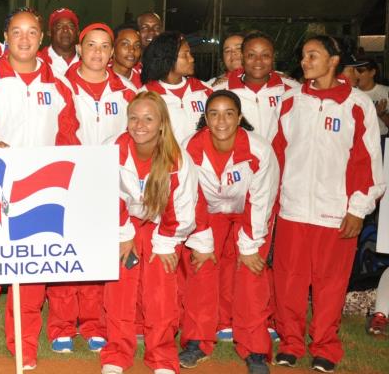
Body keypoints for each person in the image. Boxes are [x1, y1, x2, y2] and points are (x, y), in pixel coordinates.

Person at [0, 7, 79, 370]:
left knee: (32, 276)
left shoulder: (60, 84)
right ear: (5, 37)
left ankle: (24, 346)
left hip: (40, 191)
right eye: (17, 32)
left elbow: (71, 138)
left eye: (32, 32)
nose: (24, 38)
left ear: (42, 38)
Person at [271, 34, 386, 372]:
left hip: (335, 214)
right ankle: (290, 343)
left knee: (330, 286)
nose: (305, 62)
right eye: (304, 56)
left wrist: (357, 208)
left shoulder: (356, 104)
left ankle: (325, 348)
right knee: (288, 282)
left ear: (334, 59)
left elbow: (368, 163)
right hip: (292, 211)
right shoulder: (291, 101)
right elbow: (278, 155)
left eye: (313, 55)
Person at [47, 22, 135, 355]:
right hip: (71, 180)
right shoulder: (60, 86)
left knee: (99, 256)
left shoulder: (126, 91)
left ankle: (94, 323)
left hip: (112, 185)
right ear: (80, 49)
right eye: (91, 45)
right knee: (66, 254)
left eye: (104, 46)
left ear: (112, 53)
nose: (97, 52)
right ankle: (61, 324)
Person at [179, 91, 279, 374]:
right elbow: (189, 196)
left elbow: (263, 199)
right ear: (205, 119)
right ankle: (197, 341)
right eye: (214, 113)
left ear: (239, 118)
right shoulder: (190, 148)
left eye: (228, 113)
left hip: (249, 209)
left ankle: (255, 348)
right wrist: (201, 241)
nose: (221, 120)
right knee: (202, 268)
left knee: (251, 274)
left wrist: (249, 248)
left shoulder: (259, 150)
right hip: (206, 211)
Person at [101, 91, 197, 374]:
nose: (139, 125)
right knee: (119, 289)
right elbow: (106, 194)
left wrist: (164, 244)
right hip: (124, 223)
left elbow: (183, 209)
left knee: (160, 292)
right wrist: (124, 233)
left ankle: (162, 357)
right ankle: (117, 353)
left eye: (148, 118)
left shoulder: (177, 160)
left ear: (161, 124)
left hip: (163, 228)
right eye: (133, 118)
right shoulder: (113, 149)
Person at [225, 31, 298, 142]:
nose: (258, 61)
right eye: (251, 55)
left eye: (265, 55)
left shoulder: (292, 90)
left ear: (273, 57)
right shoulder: (220, 90)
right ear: (242, 57)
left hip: (280, 158)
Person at [140, 32, 212, 143]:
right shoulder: (146, 95)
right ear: (168, 59)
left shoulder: (204, 90)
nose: (192, 59)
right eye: (185, 55)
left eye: (190, 54)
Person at [356, 59, 389, 149]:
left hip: (380, 141)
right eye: (354, 71)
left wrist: (382, 115)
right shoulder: (350, 93)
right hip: (356, 141)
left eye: (360, 71)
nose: (356, 74)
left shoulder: (385, 92)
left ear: (372, 72)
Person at [37, 8, 80, 76]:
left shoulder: (88, 61)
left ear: (78, 32)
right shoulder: (38, 62)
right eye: (59, 26)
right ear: (49, 33)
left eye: (71, 26)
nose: (65, 29)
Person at [111, 24, 143, 89]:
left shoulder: (144, 78)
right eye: (125, 44)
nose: (132, 50)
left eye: (137, 45)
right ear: (113, 48)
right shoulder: (100, 75)